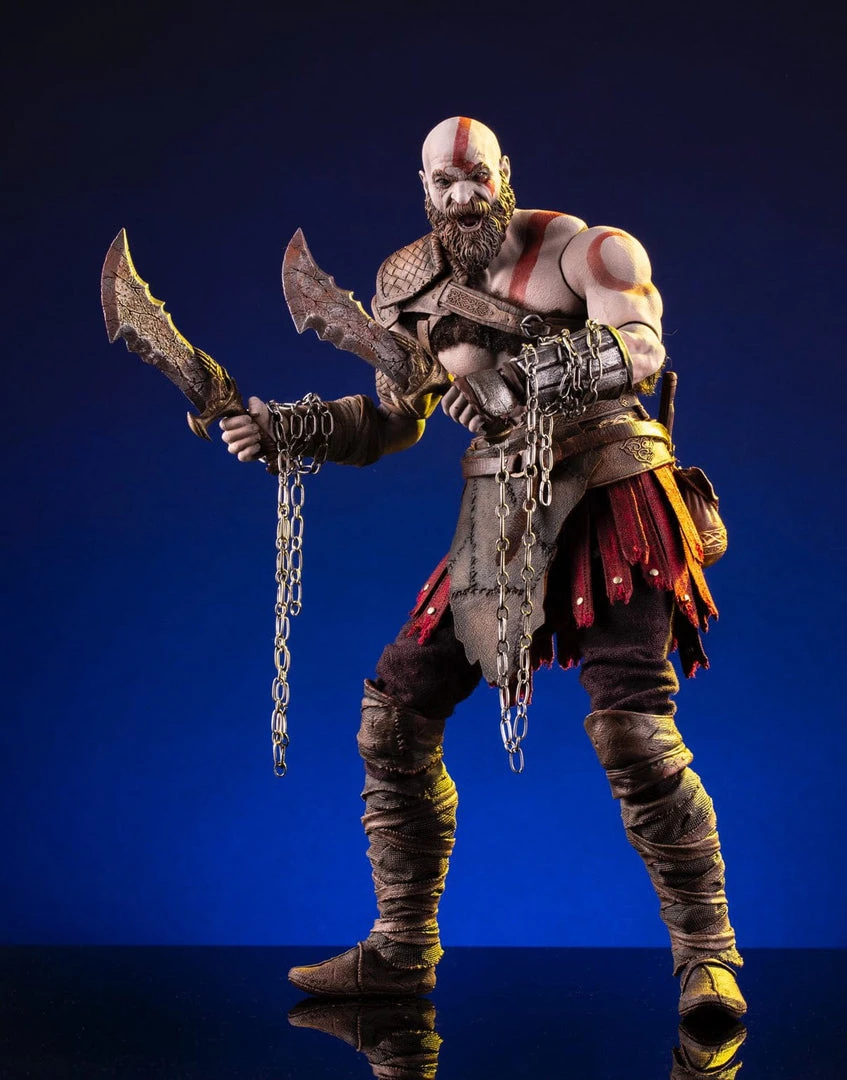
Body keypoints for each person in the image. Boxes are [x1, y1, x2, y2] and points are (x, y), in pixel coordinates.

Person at [220, 116, 745, 1017]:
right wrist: (293, 429)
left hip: (614, 486)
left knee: (632, 729)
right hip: (501, 514)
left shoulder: (586, 250)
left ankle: (708, 957)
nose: (462, 196)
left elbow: (640, 345)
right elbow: (393, 420)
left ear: (504, 175)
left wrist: (527, 378)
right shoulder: (407, 288)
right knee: (394, 716)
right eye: (444, 182)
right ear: (423, 190)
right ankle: (400, 951)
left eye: (476, 176)